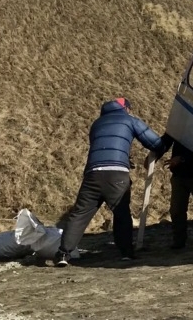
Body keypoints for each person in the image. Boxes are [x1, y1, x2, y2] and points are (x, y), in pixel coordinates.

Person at [53, 97, 166, 267]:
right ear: (125, 108)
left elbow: (104, 147)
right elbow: (155, 142)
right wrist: (162, 148)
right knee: (121, 214)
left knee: (79, 215)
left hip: (93, 174)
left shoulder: (97, 124)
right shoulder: (129, 120)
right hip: (116, 175)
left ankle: (63, 254)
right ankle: (126, 253)